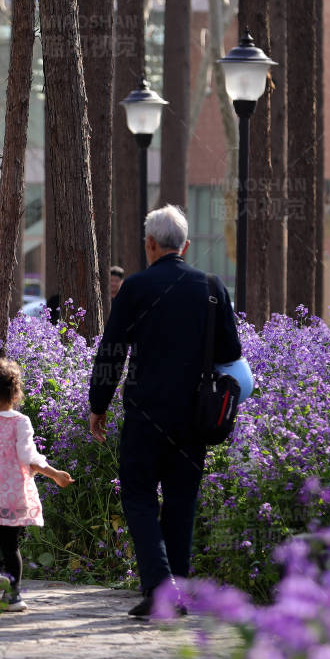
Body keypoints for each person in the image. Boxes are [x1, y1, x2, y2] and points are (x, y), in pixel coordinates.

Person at [87, 205, 244, 620]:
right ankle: (175, 588)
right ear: (186, 245)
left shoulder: (135, 288)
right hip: (195, 417)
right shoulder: (212, 287)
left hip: (145, 414)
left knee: (138, 497)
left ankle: (159, 586)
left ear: (150, 244)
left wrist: (97, 405)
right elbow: (231, 353)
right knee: (181, 501)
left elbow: (111, 351)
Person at [0, 358, 73, 613]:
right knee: (10, 545)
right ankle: (14, 597)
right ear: (15, 394)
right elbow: (28, 456)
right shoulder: (21, 422)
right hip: (11, 493)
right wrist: (54, 474)